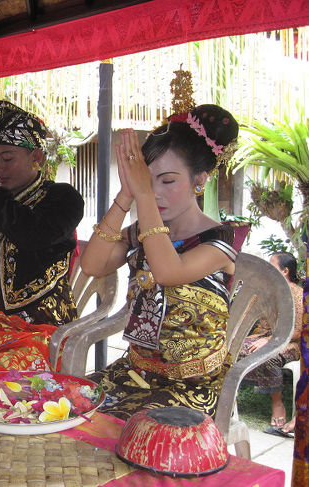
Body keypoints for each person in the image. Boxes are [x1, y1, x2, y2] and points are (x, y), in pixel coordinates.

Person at [80, 104, 248, 421]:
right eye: (148, 179)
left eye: (167, 181)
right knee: (67, 404)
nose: (156, 191)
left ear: (200, 179)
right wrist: (126, 194)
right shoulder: (143, 229)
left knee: (130, 430)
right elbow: (91, 265)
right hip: (132, 373)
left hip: (189, 388)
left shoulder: (221, 238)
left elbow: (170, 272)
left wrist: (143, 196)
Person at [0, 101, 84, 373]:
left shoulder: (63, 198)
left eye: (7, 158)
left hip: (42, 331)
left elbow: (30, 233)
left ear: (37, 158)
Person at [241, 251, 304, 437]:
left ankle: (277, 404)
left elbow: (299, 331)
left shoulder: (298, 294)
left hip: (289, 342)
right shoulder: (266, 291)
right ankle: (227, 402)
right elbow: (246, 316)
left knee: (268, 355)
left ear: (285, 271)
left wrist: (269, 340)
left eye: (272, 265)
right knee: (229, 350)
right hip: (263, 337)